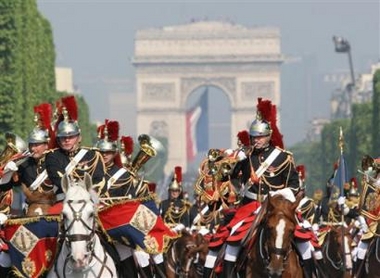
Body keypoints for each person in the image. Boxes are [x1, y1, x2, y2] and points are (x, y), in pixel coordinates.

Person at [204, 98, 319, 278]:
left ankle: (313, 274)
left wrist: (278, 196)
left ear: (268, 136)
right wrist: (233, 162)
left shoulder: (283, 157)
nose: (256, 140)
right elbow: (228, 179)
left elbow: (294, 185)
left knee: (306, 242)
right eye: (254, 137)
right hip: (250, 206)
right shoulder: (244, 156)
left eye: (260, 137)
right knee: (232, 241)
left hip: (279, 207)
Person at [45, 96, 106, 205]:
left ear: (79, 138)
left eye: (71, 136)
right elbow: (58, 180)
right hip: (64, 201)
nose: (67, 140)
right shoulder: (52, 157)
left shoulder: (93, 155)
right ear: (58, 140)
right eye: (63, 137)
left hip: (89, 201)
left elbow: (99, 180)